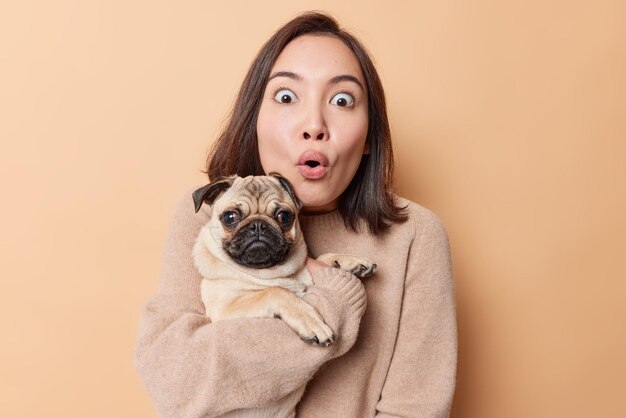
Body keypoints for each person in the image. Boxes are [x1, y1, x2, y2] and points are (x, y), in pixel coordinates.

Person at [135, 11, 457, 418]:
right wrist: (329, 304)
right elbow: (175, 384)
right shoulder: (208, 218)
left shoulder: (415, 236)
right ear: (255, 118)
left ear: (371, 136)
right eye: (287, 97)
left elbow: (416, 409)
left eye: (342, 100)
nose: (314, 125)